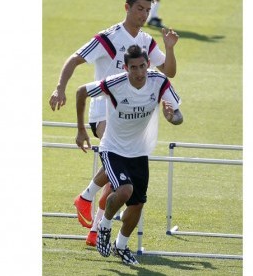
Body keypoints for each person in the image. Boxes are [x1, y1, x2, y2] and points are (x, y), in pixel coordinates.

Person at [48, 0, 179, 247]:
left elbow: (169, 72)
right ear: (126, 8)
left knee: (119, 179)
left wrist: (169, 49)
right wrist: (60, 88)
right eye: (140, 9)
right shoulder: (109, 38)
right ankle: (86, 198)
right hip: (104, 112)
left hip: (129, 117)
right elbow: (75, 59)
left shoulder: (146, 42)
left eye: (148, 10)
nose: (144, 15)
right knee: (120, 163)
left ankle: (95, 230)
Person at [75, 45, 183, 265]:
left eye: (142, 66)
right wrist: (81, 129)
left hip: (139, 152)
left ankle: (121, 246)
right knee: (125, 190)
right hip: (112, 149)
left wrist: (172, 118)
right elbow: (80, 92)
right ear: (125, 68)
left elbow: (179, 116)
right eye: (133, 68)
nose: (139, 72)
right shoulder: (115, 84)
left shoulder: (159, 82)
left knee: (137, 205)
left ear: (148, 65)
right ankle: (103, 227)